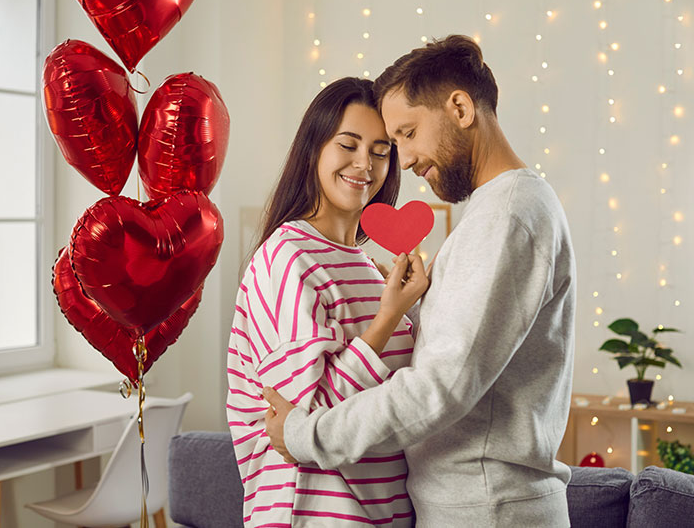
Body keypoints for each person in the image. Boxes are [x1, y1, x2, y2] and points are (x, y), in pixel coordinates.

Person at [264, 34, 577, 527]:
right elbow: (467, 357)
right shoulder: (492, 212)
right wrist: (414, 308)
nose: (403, 161)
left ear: (459, 107)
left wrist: (307, 436)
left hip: (488, 510)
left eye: (405, 134)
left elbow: (440, 387)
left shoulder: (508, 214)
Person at [226, 77, 427, 527]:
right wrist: (388, 318)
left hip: (384, 513)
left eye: (380, 150)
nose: (365, 164)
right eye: (348, 145)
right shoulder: (288, 256)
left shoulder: (370, 267)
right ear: (314, 148)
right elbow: (303, 425)